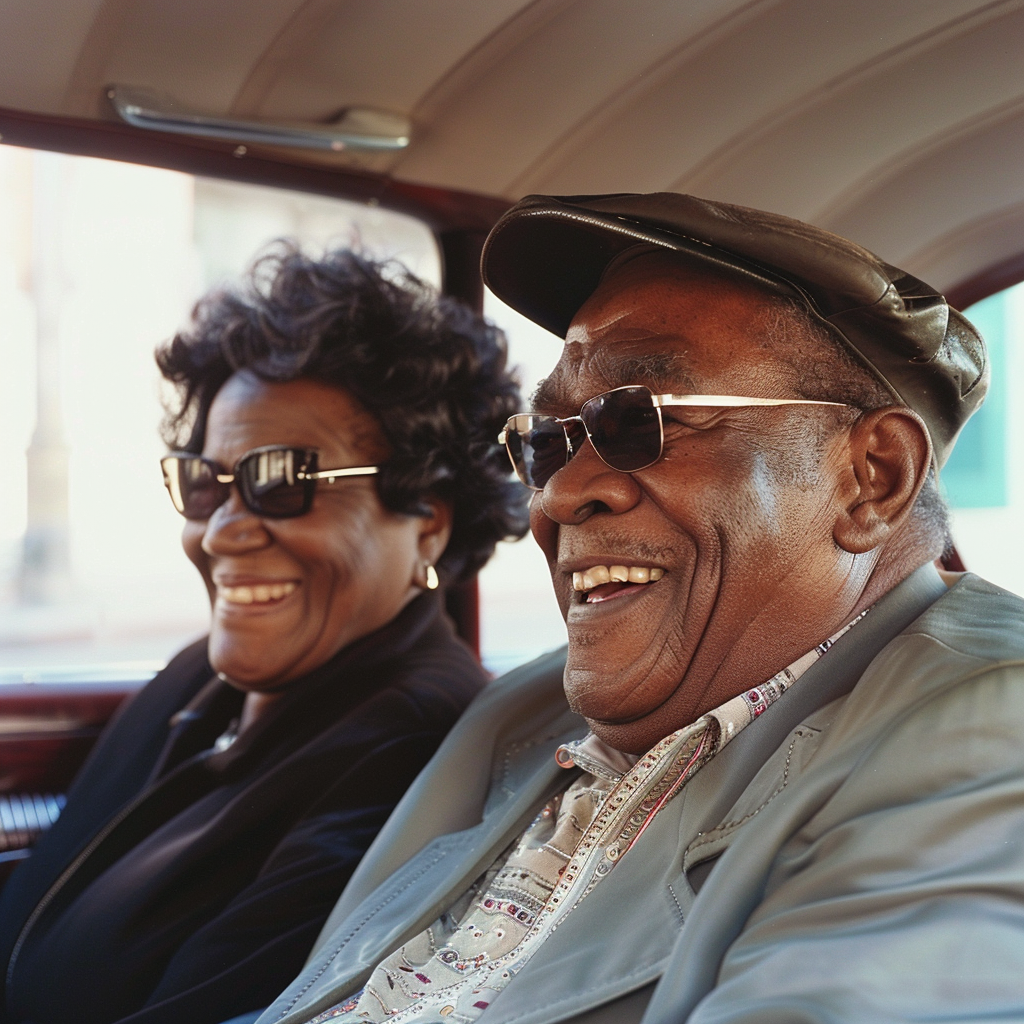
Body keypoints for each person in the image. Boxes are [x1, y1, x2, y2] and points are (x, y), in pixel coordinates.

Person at [246, 193, 1024, 1024]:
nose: (560, 496)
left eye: (636, 421)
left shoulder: (990, 733)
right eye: (548, 441)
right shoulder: (526, 709)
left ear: (874, 478)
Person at [0, 247, 528, 1024]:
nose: (220, 532)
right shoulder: (204, 680)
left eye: (281, 482)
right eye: (206, 482)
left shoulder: (413, 754)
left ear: (428, 522)